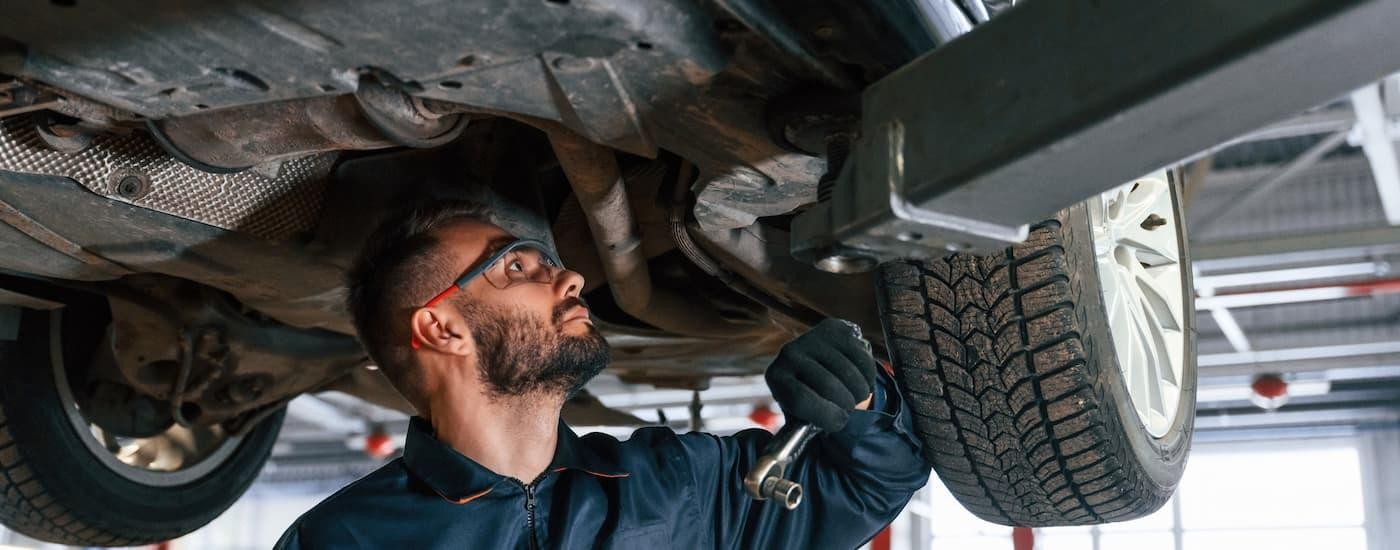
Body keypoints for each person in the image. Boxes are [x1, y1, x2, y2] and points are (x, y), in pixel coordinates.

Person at [275, 200, 931, 549]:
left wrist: (859, 405)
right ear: (441, 328)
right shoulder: (341, 541)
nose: (570, 275)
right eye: (515, 267)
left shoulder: (675, 485)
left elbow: (866, 489)